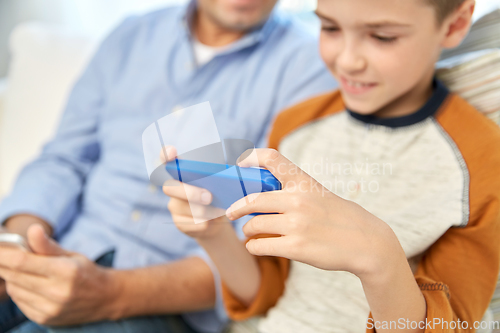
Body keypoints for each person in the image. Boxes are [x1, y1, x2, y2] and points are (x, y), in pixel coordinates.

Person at [0, 0, 337, 332]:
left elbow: (256, 253)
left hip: (158, 301)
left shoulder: (309, 68)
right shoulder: (130, 35)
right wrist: (16, 247)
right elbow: (64, 158)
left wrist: (110, 293)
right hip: (57, 252)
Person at [167, 0, 500, 332]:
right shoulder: (297, 124)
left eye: (382, 37)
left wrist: (380, 260)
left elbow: (449, 324)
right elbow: (269, 290)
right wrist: (213, 234)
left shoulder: (484, 159)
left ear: (455, 25)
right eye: (330, 28)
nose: (347, 60)